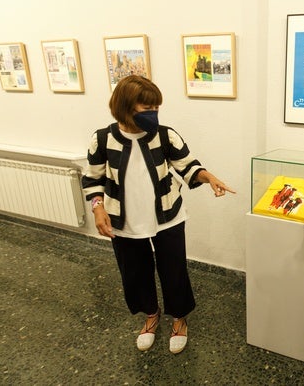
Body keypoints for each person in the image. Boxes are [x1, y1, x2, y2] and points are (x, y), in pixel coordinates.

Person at [82, 75, 235, 354]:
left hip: (168, 217)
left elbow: (188, 166)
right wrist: (98, 208)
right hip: (124, 221)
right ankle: (150, 316)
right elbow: (93, 179)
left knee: (173, 270)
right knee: (135, 272)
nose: (153, 115)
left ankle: (179, 319)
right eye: (146, 109)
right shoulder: (103, 139)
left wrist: (209, 176)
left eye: (156, 108)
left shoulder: (165, 135)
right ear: (125, 107)